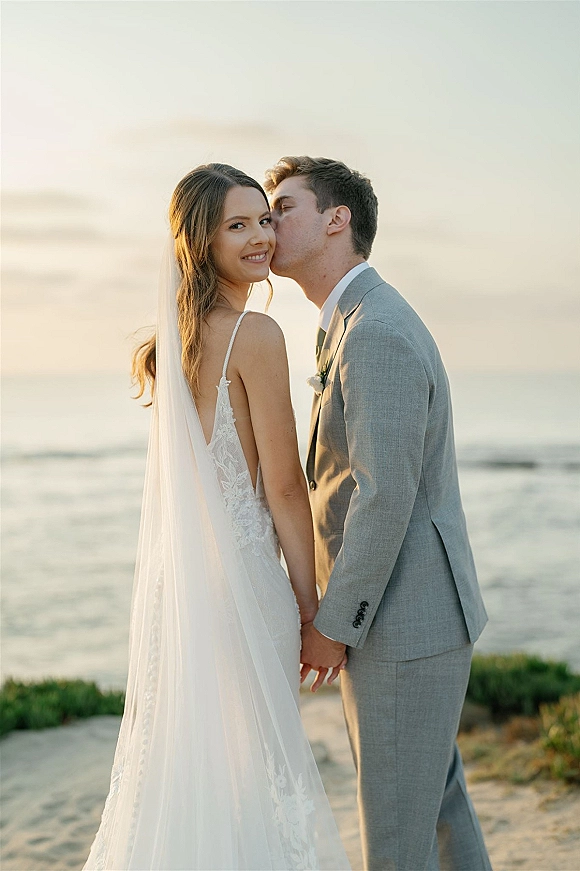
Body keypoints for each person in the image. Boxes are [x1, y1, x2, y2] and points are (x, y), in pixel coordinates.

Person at [82, 164, 350, 871]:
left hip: (187, 591)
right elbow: (286, 488)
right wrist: (310, 604)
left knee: (194, 765)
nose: (261, 236)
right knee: (256, 768)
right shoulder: (254, 334)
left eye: (265, 219)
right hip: (245, 588)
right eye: (238, 225)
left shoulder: (178, 339)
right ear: (201, 241)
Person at [265, 156, 492, 871]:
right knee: (439, 812)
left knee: (397, 841)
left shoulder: (375, 332)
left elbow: (383, 493)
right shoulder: (355, 322)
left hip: (404, 627)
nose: (269, 223)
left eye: (283, 207)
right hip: (412, 621)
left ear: (338, 219)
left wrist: (333, 625)